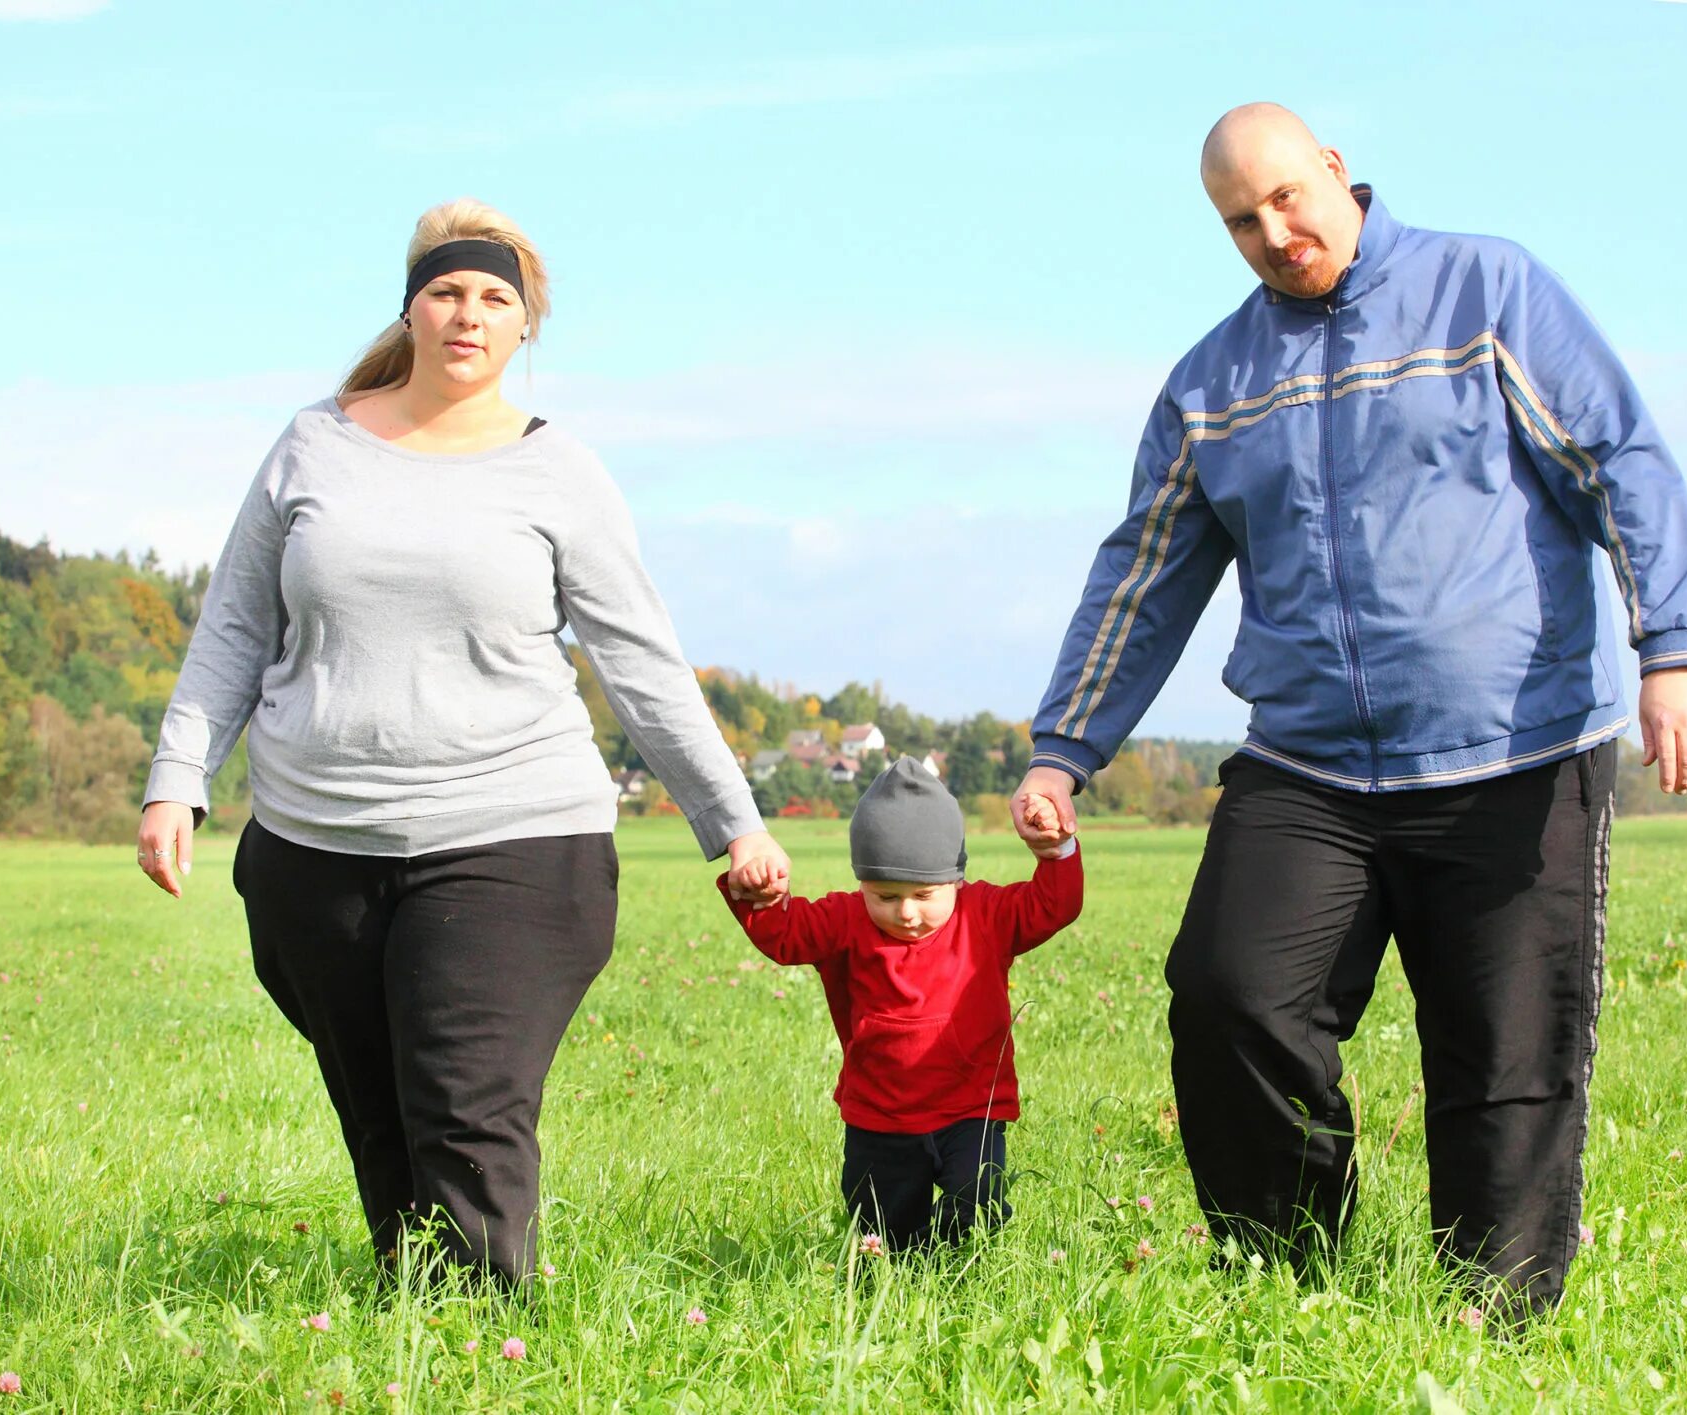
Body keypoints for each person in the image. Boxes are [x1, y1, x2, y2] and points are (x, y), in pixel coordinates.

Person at [1010, 105, 1687, 1318]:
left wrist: (1675, 649)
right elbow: (1145, 571)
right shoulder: (1211, 383)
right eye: (1240, 219)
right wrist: (1063, 748)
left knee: (1502, 1056)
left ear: (1335, 171)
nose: (1273, 233)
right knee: (1231, 993)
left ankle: (1491, 1319)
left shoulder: (1483, 292)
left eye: (1287, 198)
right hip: (1308, 766)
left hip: (1515, 748)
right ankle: (1291, 1279)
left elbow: (1618, 458)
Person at [136, 198, 790, 1287]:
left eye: (496, 298)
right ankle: (416, 1325)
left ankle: (490, 1350)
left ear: (524, 327)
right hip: (313, 845)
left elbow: (640, 662)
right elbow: (237, 626)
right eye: (447, 291)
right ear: (411, 308)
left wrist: (733, 820)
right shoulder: (314, 443)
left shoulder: (557, 471)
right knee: (379, 1105)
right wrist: (177, 781)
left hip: (514, 834)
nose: (468, 314)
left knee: (464, 1103)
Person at [719, 759, 1082, 1250]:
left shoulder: (986, 915)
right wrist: (762, 897)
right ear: (863, 882)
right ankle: (895, 1286)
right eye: (885, 895)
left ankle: (956, 1279)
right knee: (885, 1235)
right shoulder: (846, 919)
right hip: (880, 1116)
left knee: (978, 1206)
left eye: (924, 895)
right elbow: (787, 938)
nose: (906, 912)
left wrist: (1056, 850)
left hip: (971, 1106)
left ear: (955, 880)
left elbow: (1053, 907)